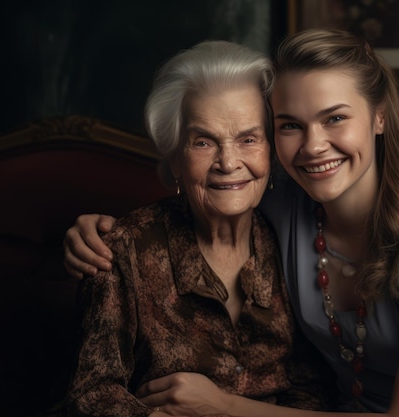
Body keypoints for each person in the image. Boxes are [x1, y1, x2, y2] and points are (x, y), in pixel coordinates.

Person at [64, 29, 399, 417]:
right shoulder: (285, 208)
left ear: (379, 118)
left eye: (335, 118)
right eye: (291, 125)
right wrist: (101, 230)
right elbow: (213, 187)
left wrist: (224, 406)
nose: (314, 145)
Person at [63, 39, 337, 417]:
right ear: (176, 158)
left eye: (248, 139)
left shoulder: (289, 239)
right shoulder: (124, 250)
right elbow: (91, 395)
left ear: (270, 152)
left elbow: (311, 387)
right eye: (203, 141)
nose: (228, 162)